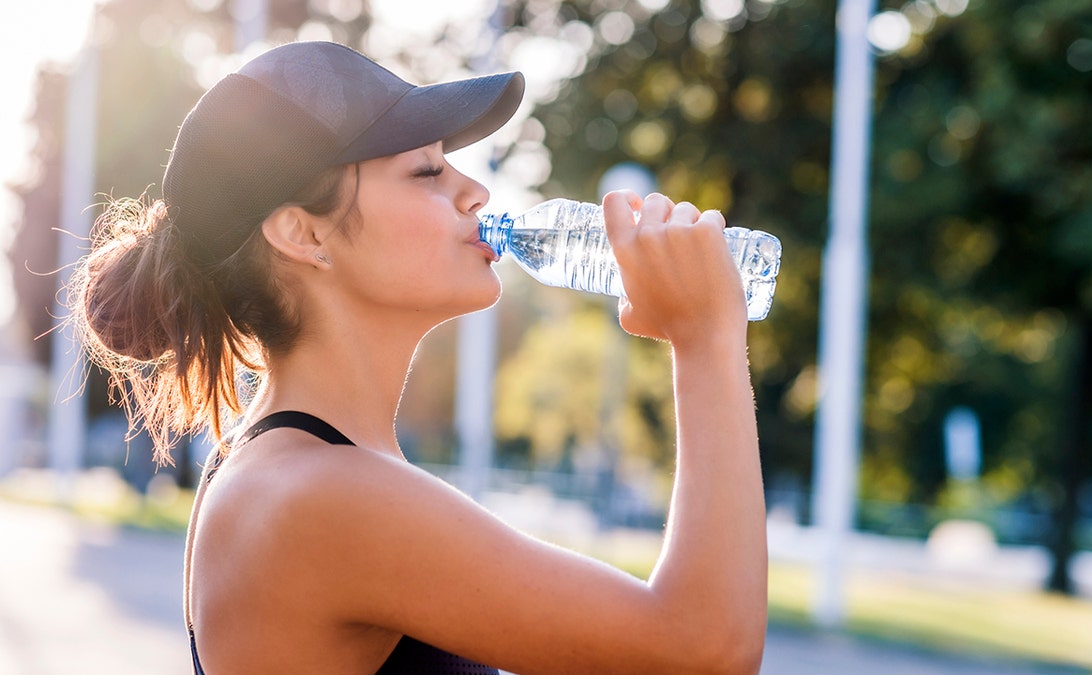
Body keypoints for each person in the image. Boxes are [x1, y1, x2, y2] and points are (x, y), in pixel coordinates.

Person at [72, 40, 766, 674]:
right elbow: (702, 649)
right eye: (427, 170)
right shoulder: (319, 496)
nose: (476, 192)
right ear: (303, 232)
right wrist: (705, 341)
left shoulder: (299, 470)